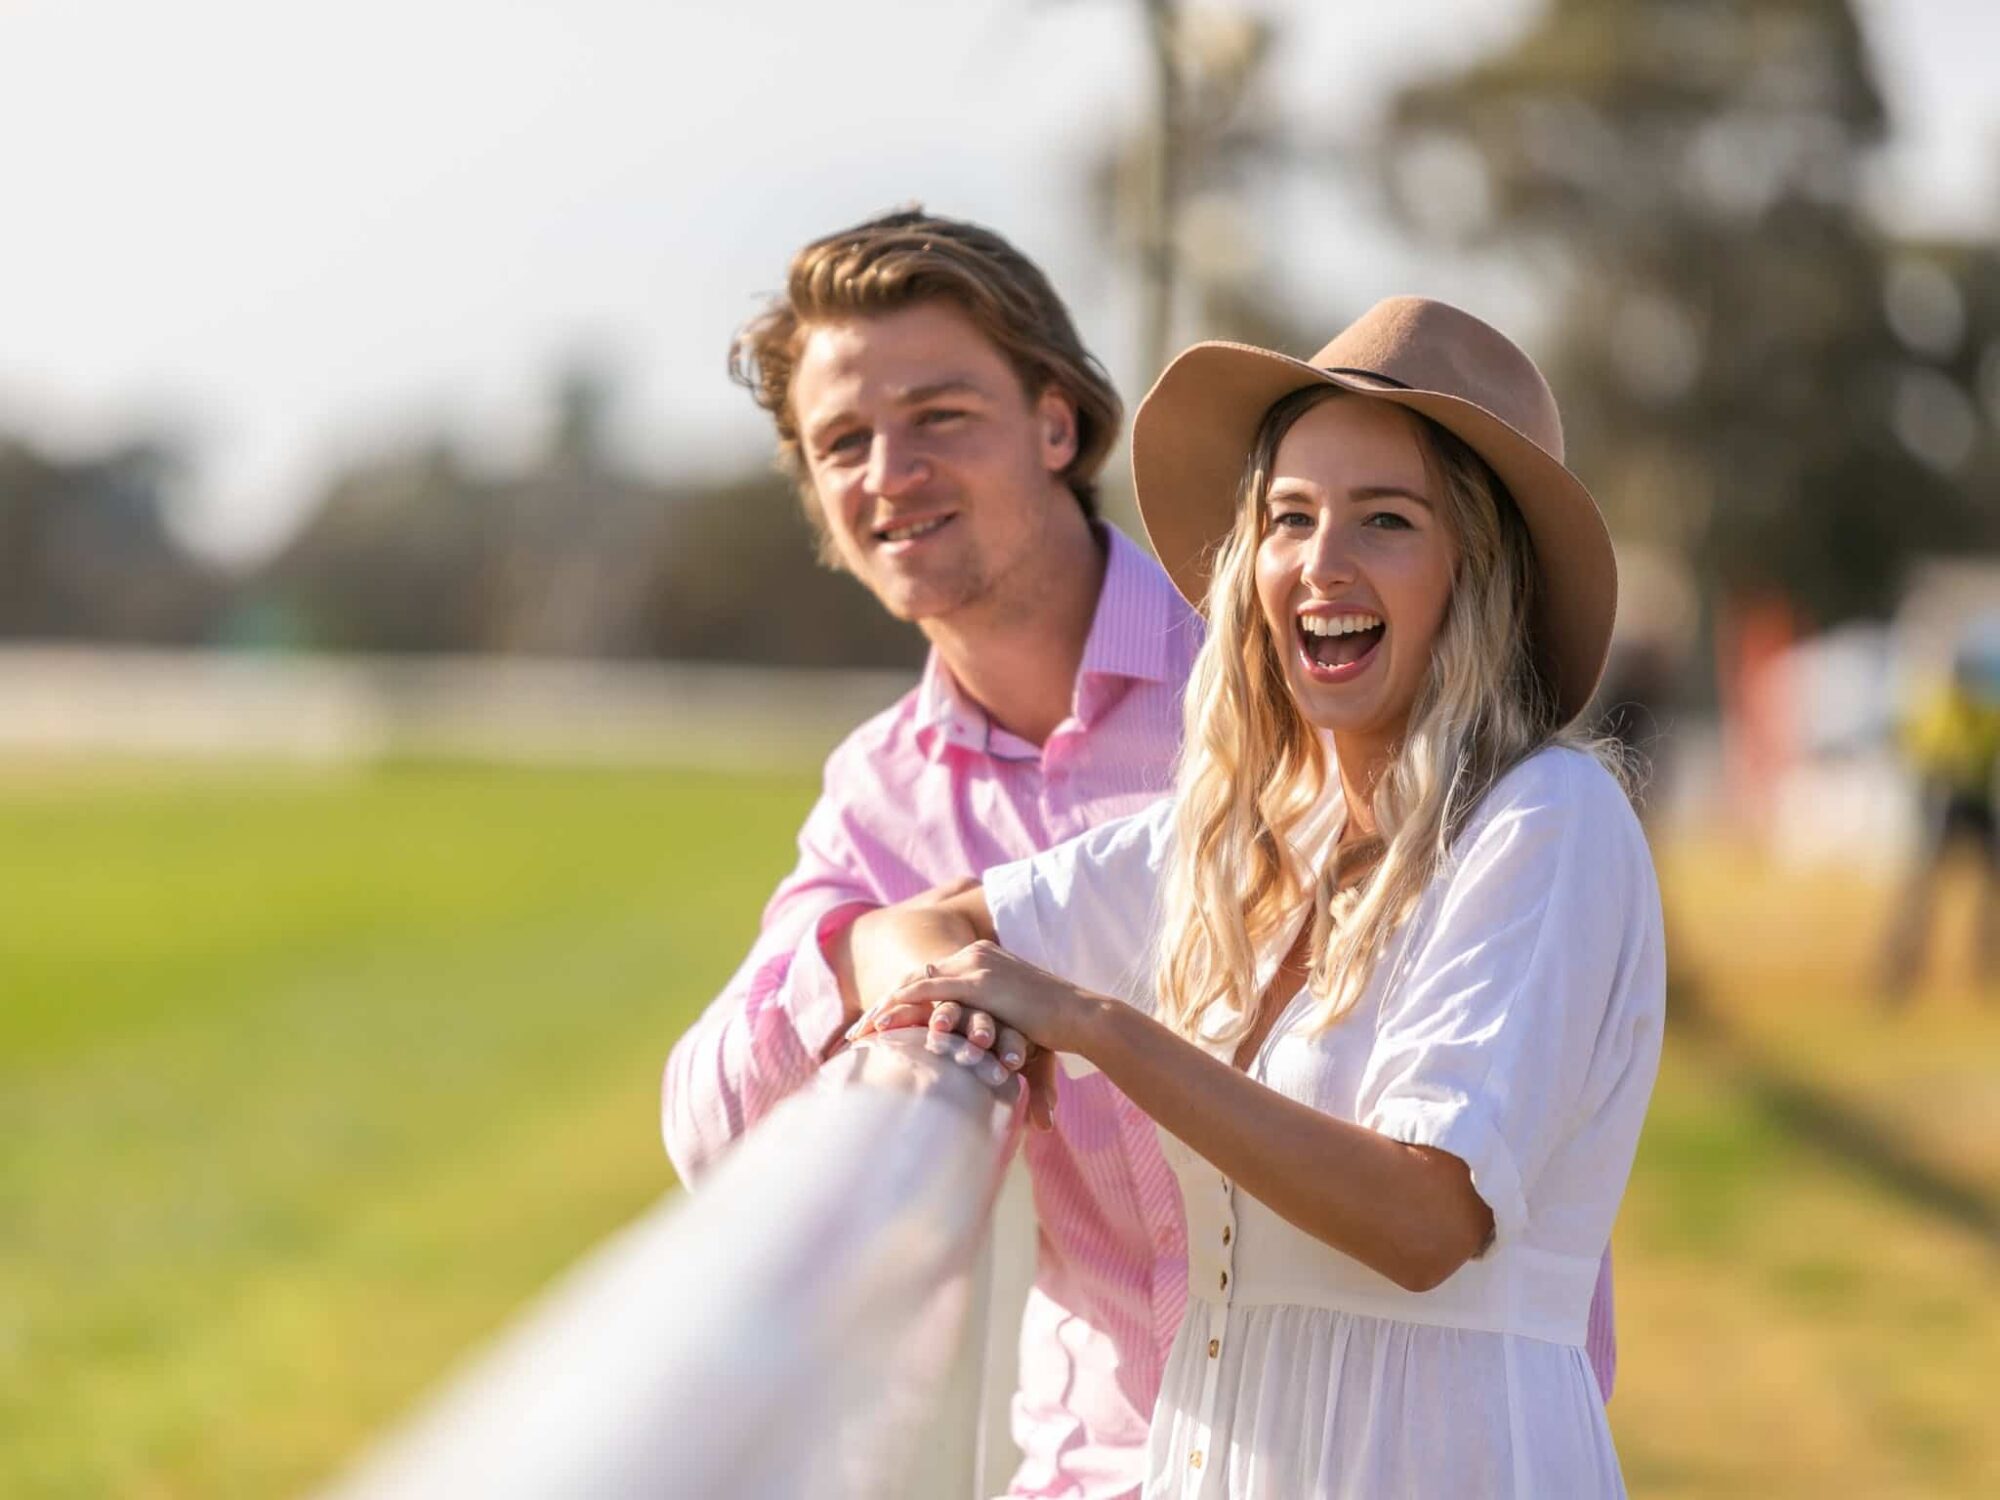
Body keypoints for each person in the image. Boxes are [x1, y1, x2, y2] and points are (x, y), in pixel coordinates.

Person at [661, 208, 1614, 1498]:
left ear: (1056, 425)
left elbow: (1428, 1216)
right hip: (1122, 1464)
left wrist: (1083, 1021)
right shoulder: (926, 801)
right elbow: (718, 1116)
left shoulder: (1361, 751)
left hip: (1419, 1452)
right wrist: (863, 947)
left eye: (938, 414)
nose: (889, 471)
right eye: (843, 441)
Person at [1880, 623, 2000, 999]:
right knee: (1922, 895)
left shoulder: (1988, 711)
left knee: (1992, 893)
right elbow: (1914, 746)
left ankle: (1989, 969)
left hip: (1976, 803)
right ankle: (1900, 972)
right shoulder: (1939, 705)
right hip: (1942, 801)